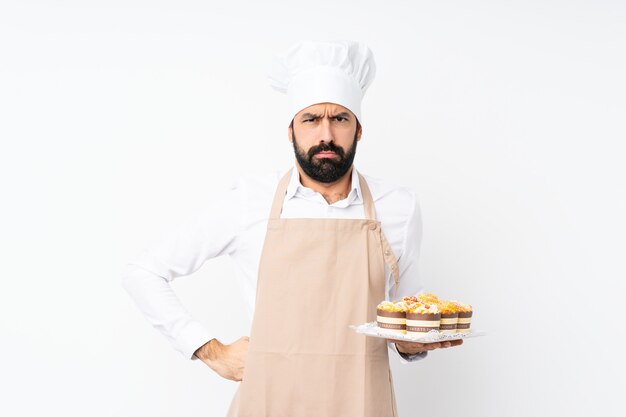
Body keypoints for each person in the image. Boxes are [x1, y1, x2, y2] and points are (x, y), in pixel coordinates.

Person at [122, 40, 463, 417]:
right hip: (269, 403)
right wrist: (209, 350)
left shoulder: (398, 207)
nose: (326, 136)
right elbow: (144, 272)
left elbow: (405, 314)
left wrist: (414, 344)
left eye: (340, 119)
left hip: (362, 404)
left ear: (359, 130)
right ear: (290, 130)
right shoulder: (249, 201)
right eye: (311, 119)